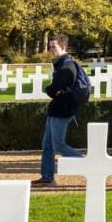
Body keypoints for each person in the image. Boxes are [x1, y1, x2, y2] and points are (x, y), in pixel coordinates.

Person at [32, 35, 85, 186]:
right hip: (55, 110)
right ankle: (47, 177)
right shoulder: (60, 65)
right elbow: (55, 90)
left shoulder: (66, 67)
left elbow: (53, 89)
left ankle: (89, 164)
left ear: (63, 48)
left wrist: (50, 89)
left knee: (58, 145)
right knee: (47, 146)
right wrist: (53, 90)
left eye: (53, 47)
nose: (50, 50)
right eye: (50, 47)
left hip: (62, 111)